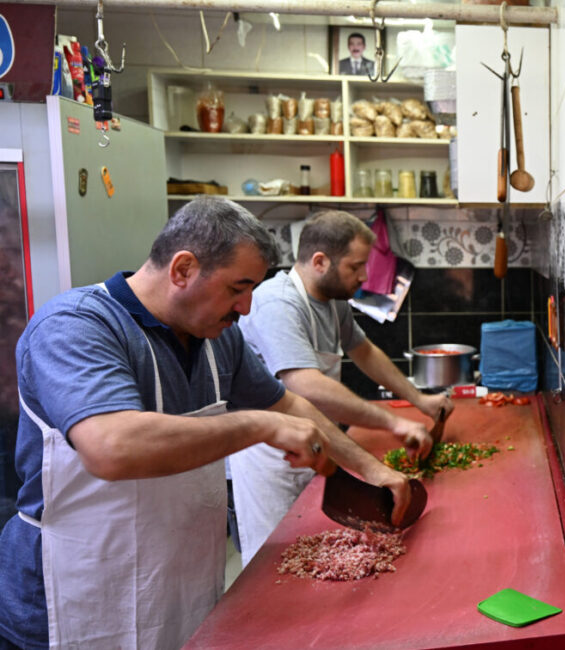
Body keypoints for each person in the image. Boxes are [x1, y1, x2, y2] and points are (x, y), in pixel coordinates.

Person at [0, 196, 417, 650]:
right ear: (182, 269)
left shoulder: (221, 340)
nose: (246, 308)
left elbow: (290, 405)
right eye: (237, 288)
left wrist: (370, 470)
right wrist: (258, 427)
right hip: (73, 598)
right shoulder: (77, 326)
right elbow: (111, 446)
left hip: (179, 585)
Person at [234, 209, 452, 566]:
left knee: (322, 556)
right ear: (320, 261)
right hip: (272, 457)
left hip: (318, 443)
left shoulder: (333, 301)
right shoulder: (278, 302)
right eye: (356, 266)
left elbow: (364, 351)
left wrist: (419, 400)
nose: (365, 276)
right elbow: (305, 385)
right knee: (276, 565)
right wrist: (392, 422)